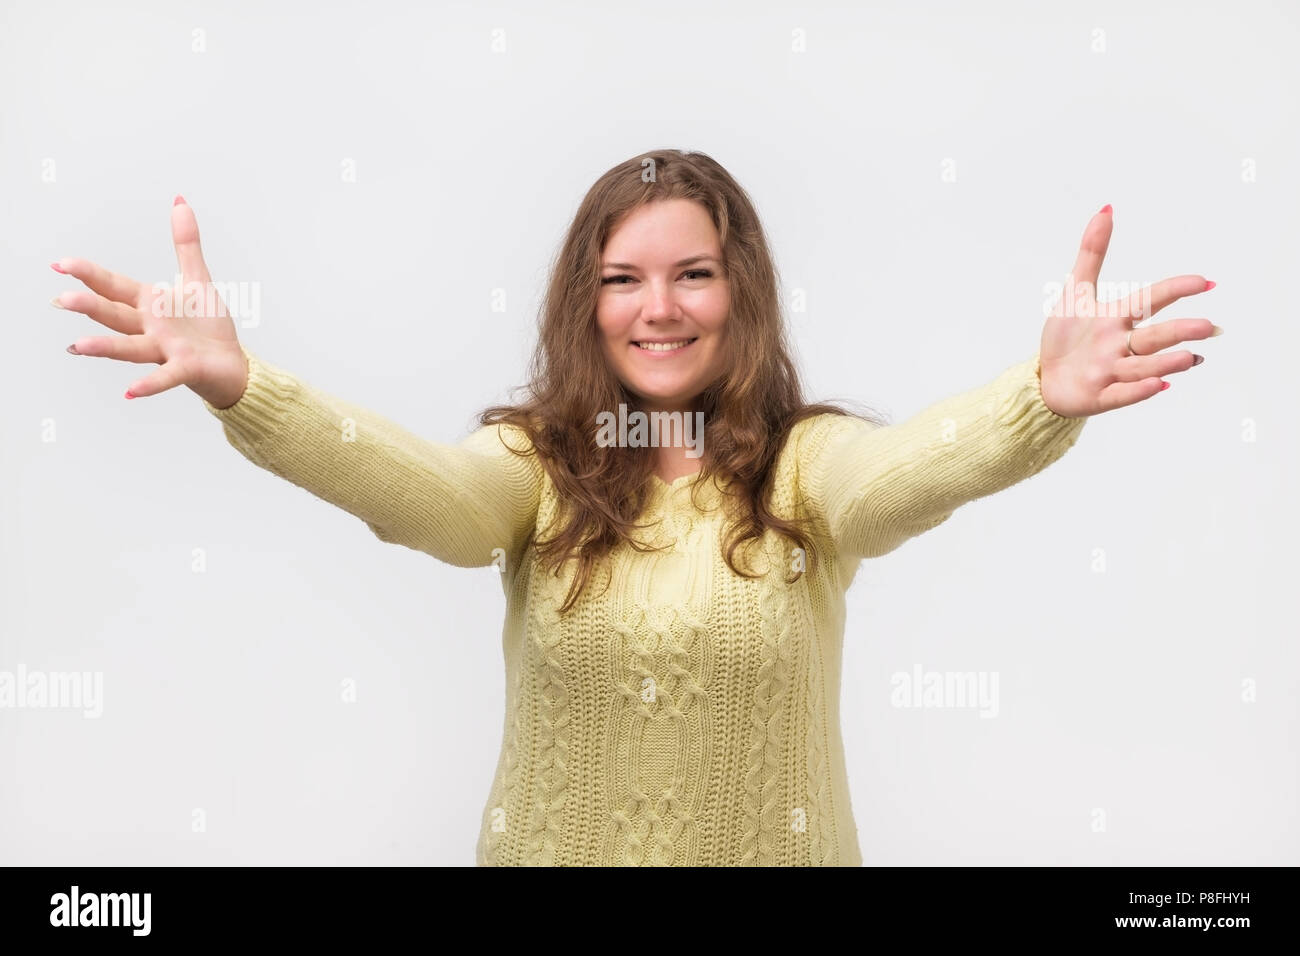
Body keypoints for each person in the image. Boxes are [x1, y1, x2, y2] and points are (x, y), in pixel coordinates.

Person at [50, 149, 1220, 866]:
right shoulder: (539, 464)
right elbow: (430, 502)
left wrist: (1036, 398)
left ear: (740, 290)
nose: (657, 308)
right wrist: (248, 388)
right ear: (586, 302)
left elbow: (904, 473)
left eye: (692, 272)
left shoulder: (806, 467)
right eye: (621, 278)